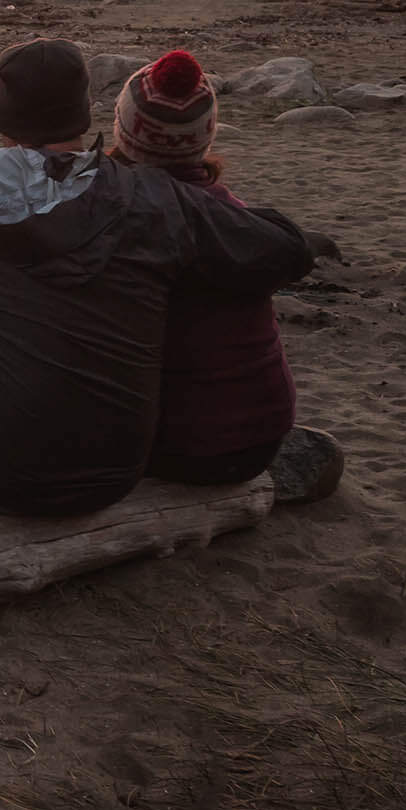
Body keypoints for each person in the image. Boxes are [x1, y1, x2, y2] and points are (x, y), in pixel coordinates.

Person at [0, 38, 314, 519]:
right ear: (85, 113)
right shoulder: (151, 196)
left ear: (1, 115)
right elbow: (286, 250)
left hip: (2, 481)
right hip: (117, 474)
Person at [109, 49, 295, 484]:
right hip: (262, 437)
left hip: (177, 445)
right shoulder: (237, 218)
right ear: (205, 137)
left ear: (124, 129)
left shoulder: (122, 220)